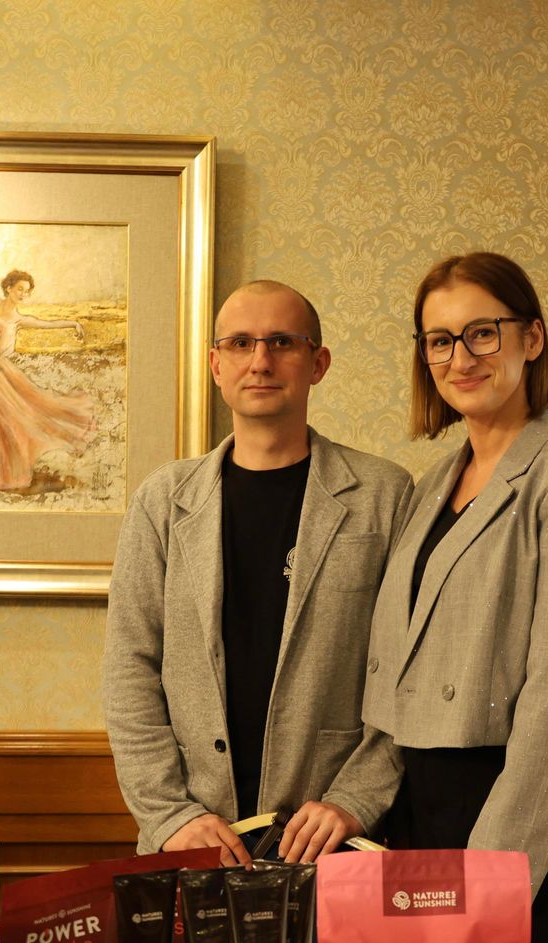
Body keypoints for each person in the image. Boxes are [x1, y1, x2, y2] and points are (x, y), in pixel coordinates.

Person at [348, 252, 548, 943]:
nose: (460, 358)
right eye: (440, 340)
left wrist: (488, 885)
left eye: (483, 333)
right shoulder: (430, 486)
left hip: (523, 804)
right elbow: (401, 680)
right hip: (421, 799)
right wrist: (355, 799)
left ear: (531, 339)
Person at [104, 279, 412, 866]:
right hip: (195, 838)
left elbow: (406, 672)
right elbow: (129, 668)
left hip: (332, 840)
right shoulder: (163, 501)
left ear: (318, 363)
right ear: (216, 366)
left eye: (282, 342)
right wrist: (169, 814)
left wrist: (355, 799)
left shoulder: (384, 495)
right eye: (241, 343)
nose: (261, 361)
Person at [0, 233, 96, 491]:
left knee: (6, 416)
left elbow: (47, 324)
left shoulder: (19, 319)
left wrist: (72, 322)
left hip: (4, 371)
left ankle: (4, 472)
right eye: (20, 289)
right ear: (9, 288)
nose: (23, 294)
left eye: (27, 292)